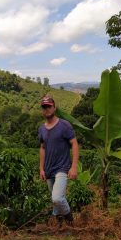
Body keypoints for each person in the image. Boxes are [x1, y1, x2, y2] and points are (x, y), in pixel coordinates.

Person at [38, 96, 79, 225]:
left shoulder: (64, 125)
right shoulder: (41, 129)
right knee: (55, 200)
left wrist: (73, 167)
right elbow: (42, 148)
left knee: (57, 198)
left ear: (54, 108)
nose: (47, 109)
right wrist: (41, 169)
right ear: (42, 110)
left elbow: (75, 144)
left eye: (49, 106)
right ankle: (59, 226)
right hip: (48, 169)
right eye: (44, 107)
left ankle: (70, 221)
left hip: (62, 167)